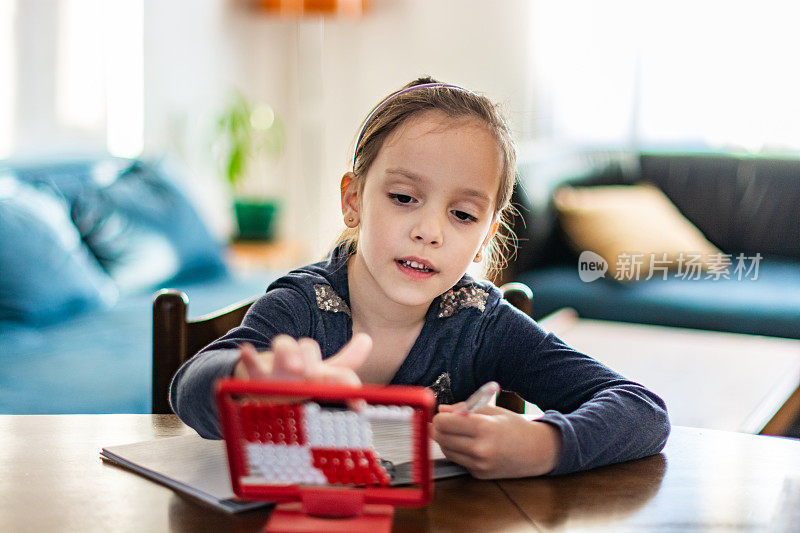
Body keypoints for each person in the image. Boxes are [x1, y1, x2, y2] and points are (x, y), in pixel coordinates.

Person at [170, 77, 670, 478]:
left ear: (486, 235)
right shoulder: (304, 305)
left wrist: (544, 444)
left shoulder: (480, 322)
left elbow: (643, 411)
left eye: (462, 215)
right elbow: (189, 390)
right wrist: (249, 382)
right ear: (353, 200)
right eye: (404, 198)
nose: (429, 231)